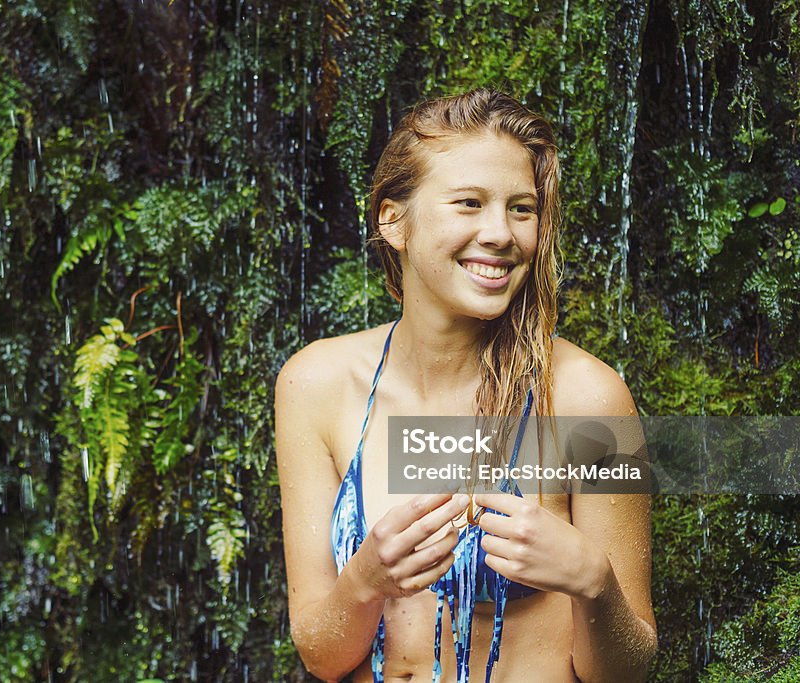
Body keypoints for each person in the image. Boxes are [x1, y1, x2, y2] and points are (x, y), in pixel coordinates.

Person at [275, 89, 657, 682]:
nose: (501, 233)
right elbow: (321, 657)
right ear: (393, 220)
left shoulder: (588, 399)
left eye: (522, 209)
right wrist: (365, 580)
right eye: (469, 203)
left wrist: (595, 583)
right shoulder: (315, 385)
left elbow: (628, 669)